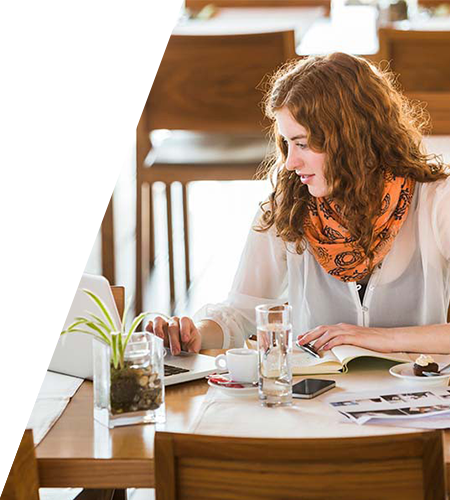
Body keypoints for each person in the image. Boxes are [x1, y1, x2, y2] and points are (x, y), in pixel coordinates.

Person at [146, 52, 450, 355]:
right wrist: (193, 334)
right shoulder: (288, 204)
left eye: (303, 144)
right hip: (317, 398)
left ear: (352, 139)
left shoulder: (436, 200)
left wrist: (376, 339)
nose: (290, 162)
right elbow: (242, 314)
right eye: (287, 143)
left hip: (420, 396)